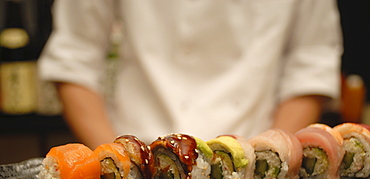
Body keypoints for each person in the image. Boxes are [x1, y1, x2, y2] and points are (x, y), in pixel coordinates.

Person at [39, 0, 342, 149]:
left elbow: (311, 64)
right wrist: (120, 165)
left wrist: (269, 159)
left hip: (252, 153)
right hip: (139, 149)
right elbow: (74, 57)